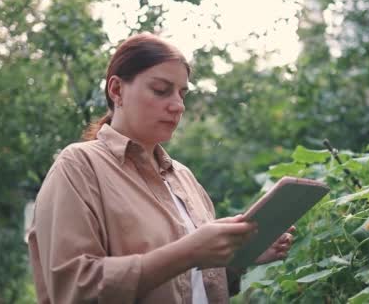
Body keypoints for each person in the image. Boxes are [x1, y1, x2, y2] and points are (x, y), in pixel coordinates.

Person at [27, 32, 294, 303]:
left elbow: (192, 284)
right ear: (117, 90)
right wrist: (188, 252)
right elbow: (75, 289)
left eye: (182, 93)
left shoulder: (184, 177)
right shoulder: (79, 166)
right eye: (160, 90)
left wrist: (239, 259)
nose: (178, 106)